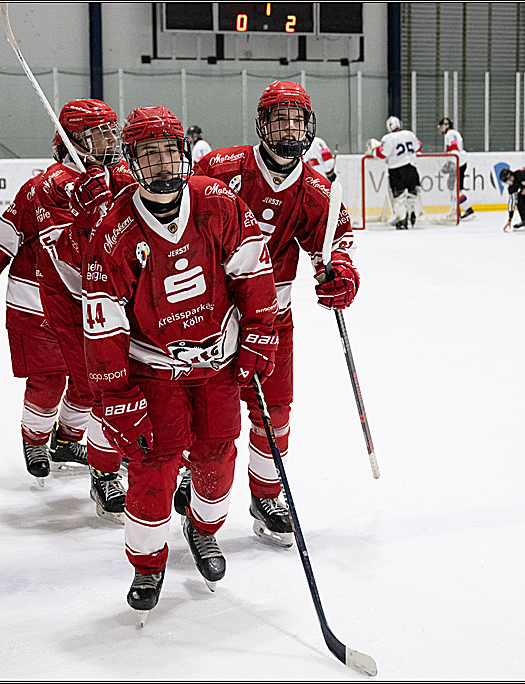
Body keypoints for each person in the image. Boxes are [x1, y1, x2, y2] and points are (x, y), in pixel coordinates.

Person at [82, 105, 279, 620]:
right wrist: (116, 396)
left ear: (184, 154)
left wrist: (260, 332)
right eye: (150, 154)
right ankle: (147, 564)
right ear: (131, 161)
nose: (164, 164)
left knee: (216, 455)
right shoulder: (114, 231)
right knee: (154, 464)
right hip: (155, 371)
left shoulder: (218, 202)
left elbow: (252, 272)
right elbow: (103, 324)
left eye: (170, 152)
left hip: (217, 363)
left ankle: (203, 529)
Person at [192, 81, 358, 548]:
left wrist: (339, 272)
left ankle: (266, 496)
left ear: (309, 127)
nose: (290, 127)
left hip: (272, 316)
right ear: (262, 124)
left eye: (298, 119)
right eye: (280, 118)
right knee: (204, 414)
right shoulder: (221, 169)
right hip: (207, 315)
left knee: (274, 413)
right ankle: (194, 477)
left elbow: (336, 241)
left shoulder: (315, 189)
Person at [32, 99, 136, 521]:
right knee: (102, 389)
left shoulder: (115, 172)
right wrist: (92, 213)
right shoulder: (54, 183)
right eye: (102, 133)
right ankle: (102, 473)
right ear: (75, 139)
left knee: (134, 383)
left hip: (119, 296)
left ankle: (95, 443)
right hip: (74, 302)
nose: (112, 139)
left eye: (113, 130)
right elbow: (64, 252)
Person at [0, 160, 81, 486]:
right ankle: (35, 441)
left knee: (89, 384)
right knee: (49, 380)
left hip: (90, 303)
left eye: (107, 135)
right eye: (92, 135)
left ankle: (67, 440)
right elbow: (3, 238)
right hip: (34, 301)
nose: (104, 143)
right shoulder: (35, 191)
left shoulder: (117, 184)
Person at [368, 116, 422, 230]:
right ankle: (412, 214)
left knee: (399, 197)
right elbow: (418, 146)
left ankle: (402, 219)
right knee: (412, 194)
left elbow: (383, 154)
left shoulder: (388, 138)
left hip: (396, 169)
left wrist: (374, 151)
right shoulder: (409, 134)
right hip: (412, 167)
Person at [438, 117, 474, 220]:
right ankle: (457, 209)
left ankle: (467, 210)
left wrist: (451, 163)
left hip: (458, 163)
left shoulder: (450, 134)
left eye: (441, 126)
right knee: (455, 189)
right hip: (459, 162)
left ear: (446, 126)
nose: (440, 129)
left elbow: (454, 149)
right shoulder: (453, 133)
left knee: (455, 189)